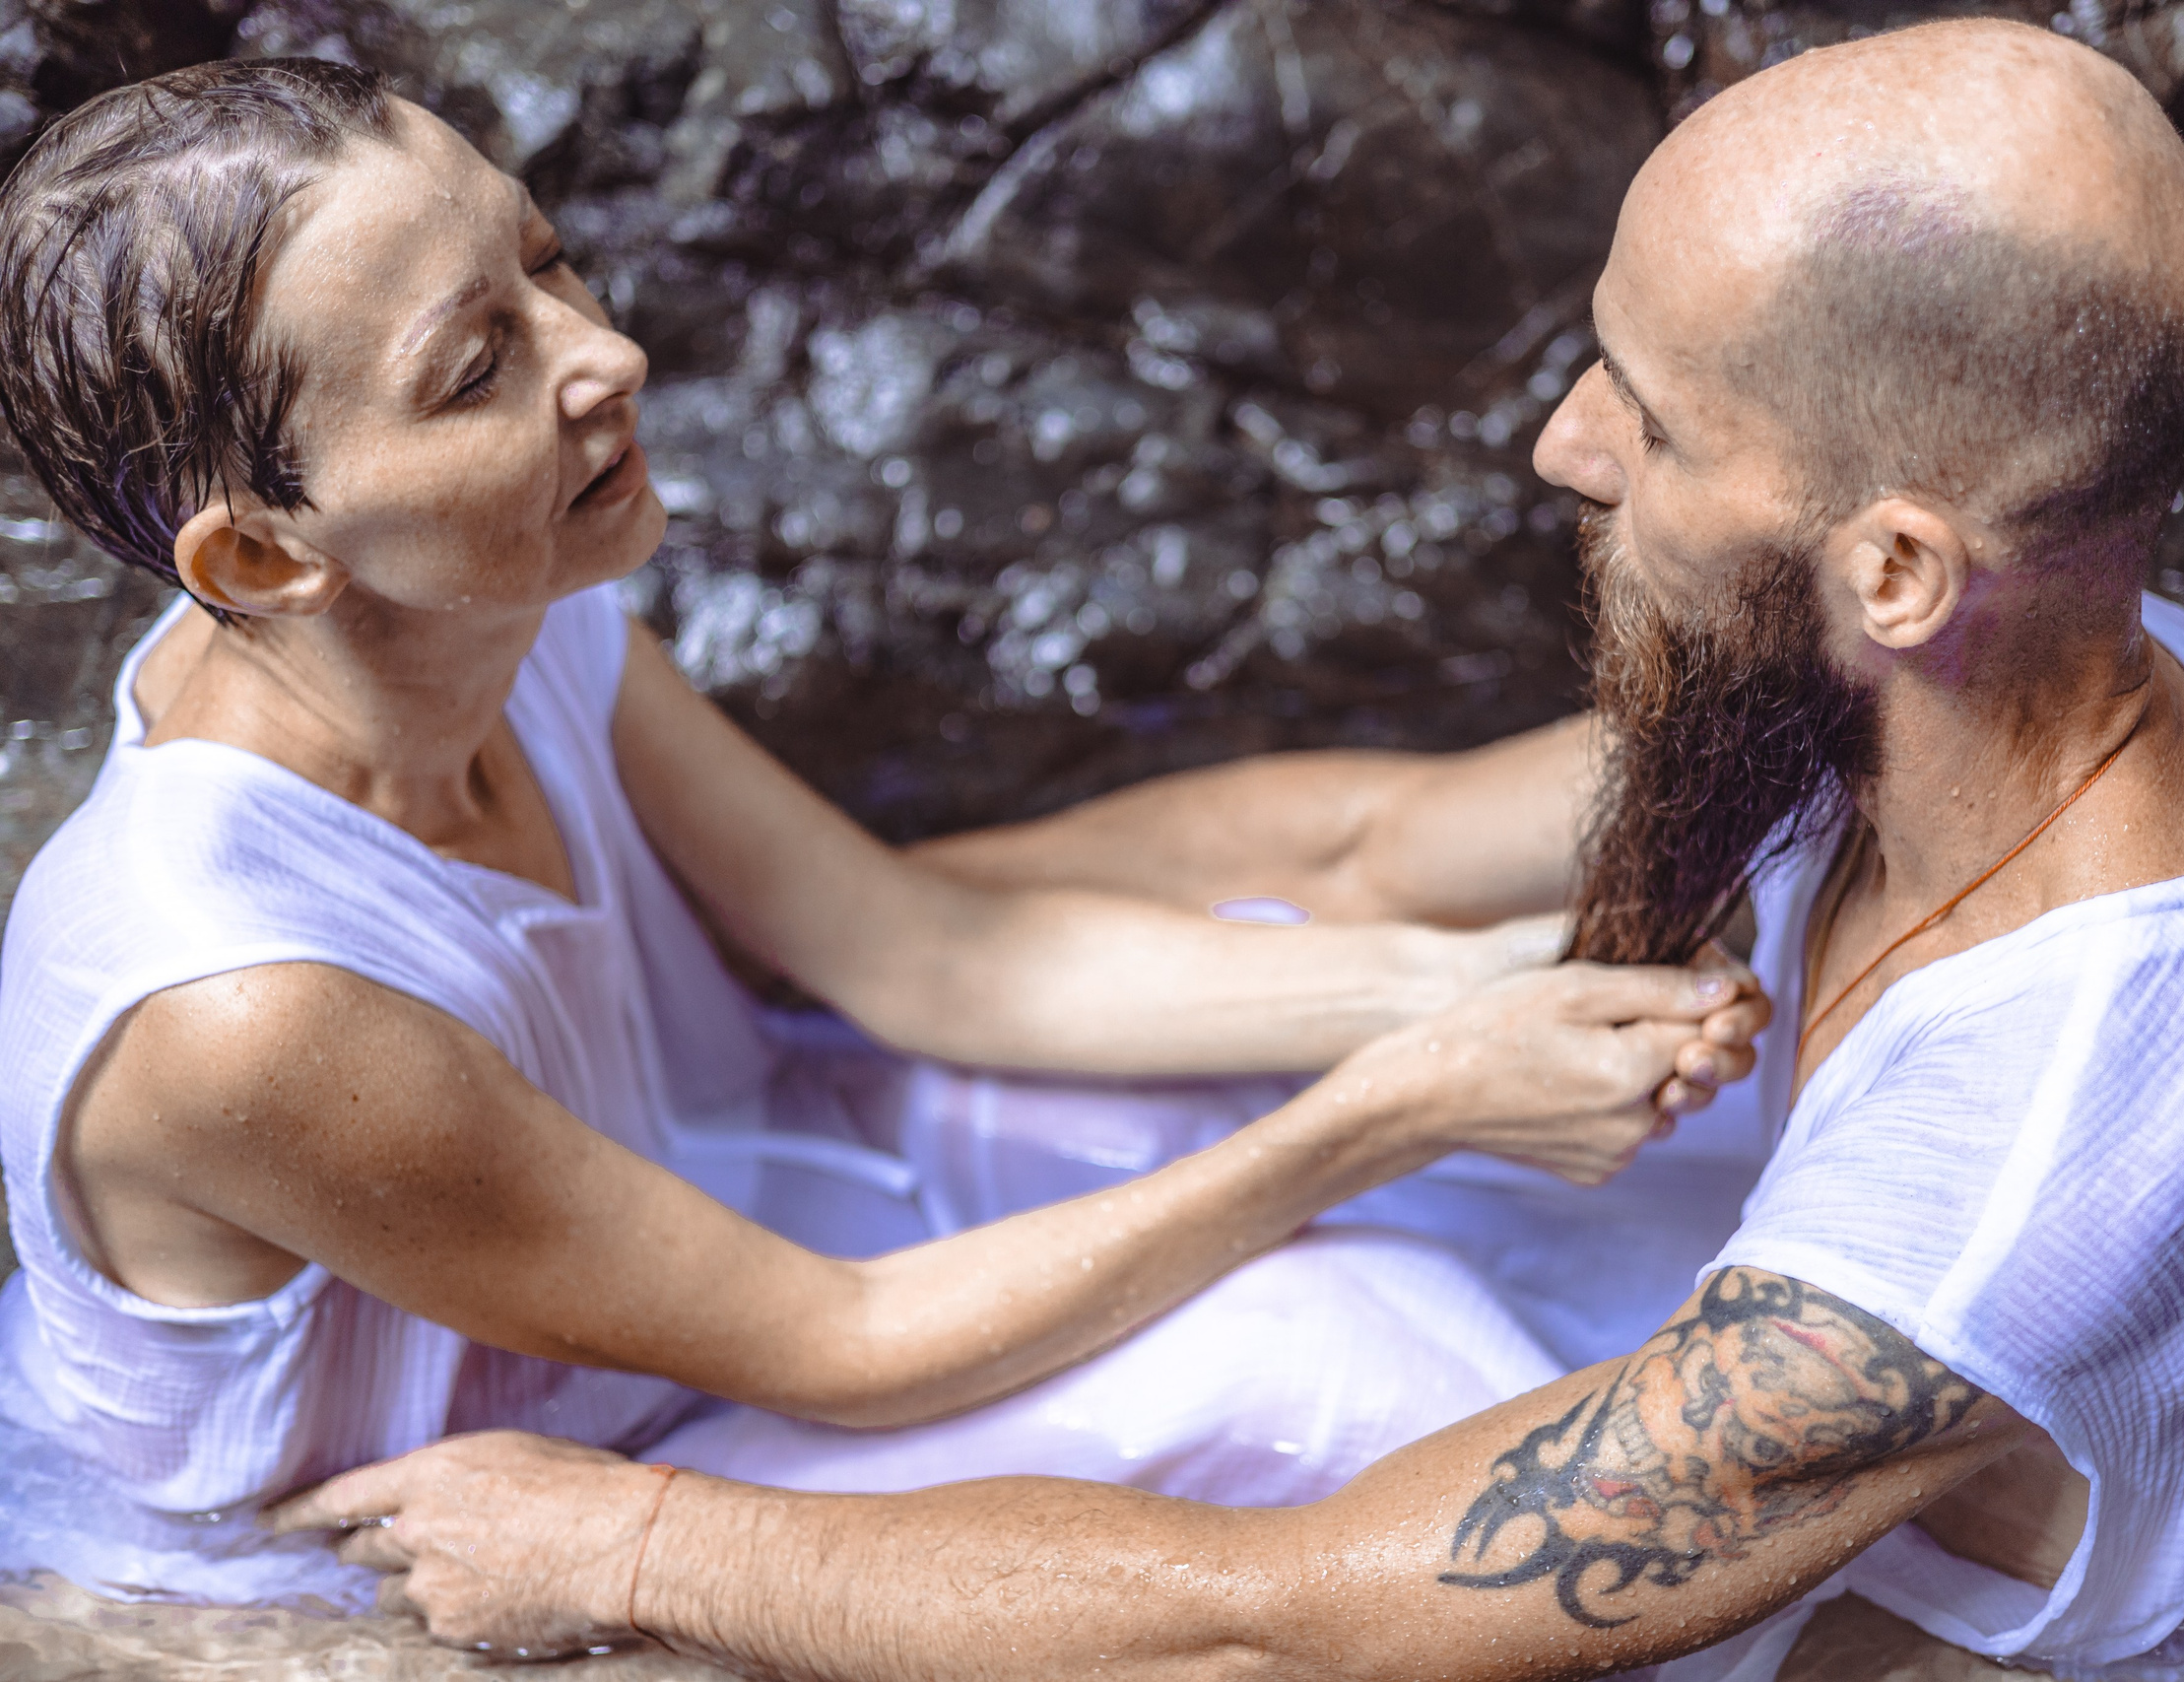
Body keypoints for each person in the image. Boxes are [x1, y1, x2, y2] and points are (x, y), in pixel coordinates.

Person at [286, 20, 2184, 1681]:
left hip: (1981, 1619)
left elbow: (1280, 1618)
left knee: (1316, 1351)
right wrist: (879, 939)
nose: (1554, 446)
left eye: (1649, 415)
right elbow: (1365, 836)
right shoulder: (2027, 655)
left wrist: (641, 1550)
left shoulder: (1996, 1204)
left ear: (1892, 562)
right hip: (1874, 1306)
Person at [0, 58, 1770, 1607]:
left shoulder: (499, 609)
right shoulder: (241, 1011)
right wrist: (1405, 1098)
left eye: (543, 260)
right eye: (476, 368)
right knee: (1357, 1359)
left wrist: (1471, 985)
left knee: (1582, 1156)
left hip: (758, 1188)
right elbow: (833, 1349)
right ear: (261, 561)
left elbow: (925, 954)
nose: (603, 352)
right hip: (477, 1512)